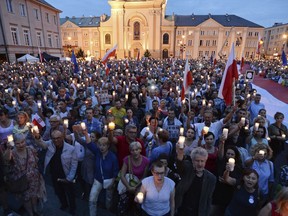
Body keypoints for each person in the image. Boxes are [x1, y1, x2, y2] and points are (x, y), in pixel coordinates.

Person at [34, 130, 78, 215]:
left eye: (58, 138)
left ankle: (73, 208)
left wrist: (69, 178)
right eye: (54, 138)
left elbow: (74, 165)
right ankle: (64, 204)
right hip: (54, 174)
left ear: (62, 138)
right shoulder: (50, 144)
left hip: (66, 174)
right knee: (59, 191)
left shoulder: (71, 149)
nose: (56, 140)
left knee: (70, 193)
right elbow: (42, 144)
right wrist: (38, 137)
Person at [3, 133, 46, 216]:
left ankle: (35, 211)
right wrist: (8, 148)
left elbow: (43, 148)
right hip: (22, 180)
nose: (20, 145)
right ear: (14, 143)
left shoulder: (30, 149)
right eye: (18, 143)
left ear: (25, 141)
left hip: (34, 178)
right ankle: (30, 214)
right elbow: (6, 159)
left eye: (22, 142)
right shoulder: (12, 152)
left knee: (34, 195)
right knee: (26, 198)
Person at [82, 130, 119, 216]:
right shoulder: (98, 152)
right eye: (100, 145)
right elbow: (90, 144)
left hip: (109, 180)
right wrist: (85, 133)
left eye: (104, 145)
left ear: (108, 146)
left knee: (108, 199)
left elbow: (116, 170)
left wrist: (113, 181)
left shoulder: (113, 157)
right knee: (92, 199)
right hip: (98, 179)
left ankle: (108, 210)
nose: (101, 147)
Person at [175, 147, 216, 216]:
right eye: (197, 161)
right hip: (182, 210)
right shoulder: (187, 169)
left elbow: (208, 199)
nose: (200, 164)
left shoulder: (211, 178)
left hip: (198, 212)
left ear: (205, 161)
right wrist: (180, 152)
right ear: (192, 161)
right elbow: (180, 164)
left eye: (202, 161)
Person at [118, 141, 150, 216]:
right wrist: (129, 187)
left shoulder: (146, 161)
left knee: (138, 204)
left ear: (140, 150)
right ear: (130, 151)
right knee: (122, 204)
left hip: (139, 184)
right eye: (132, 150)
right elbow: (122, 175)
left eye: (137, 149)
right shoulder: (127, 159)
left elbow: (144, 177)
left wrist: (135, 187)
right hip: (128, 183)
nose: (135, 152)